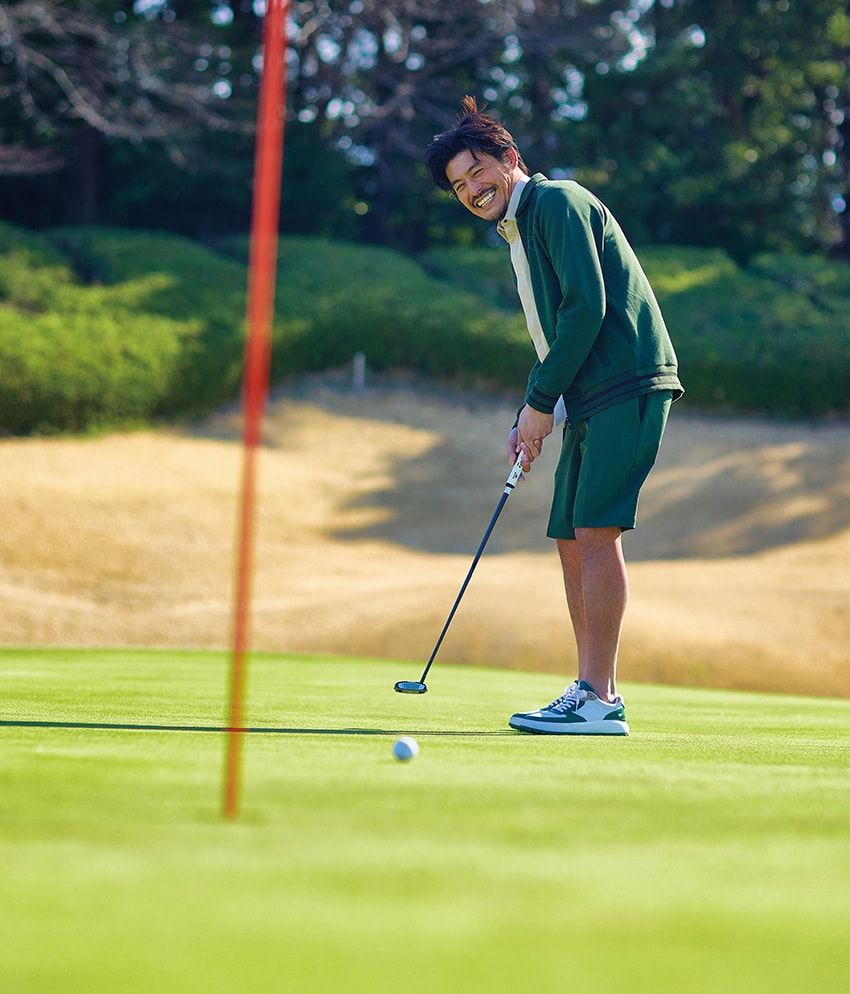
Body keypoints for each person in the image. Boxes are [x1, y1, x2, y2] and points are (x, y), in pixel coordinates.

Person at [424, 96, 683, 735]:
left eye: (478, 171)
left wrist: (540, 402)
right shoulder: (521, 226)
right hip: (591, 393)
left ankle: (599, 700)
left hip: (628, 381)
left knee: (595, 533)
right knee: (570, 539)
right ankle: (593, 690)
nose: (472, 190)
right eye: (459, 186)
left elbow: (587, 308)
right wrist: (536, 408)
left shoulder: (555, 201)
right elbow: (557, 331)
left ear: (510, 159)